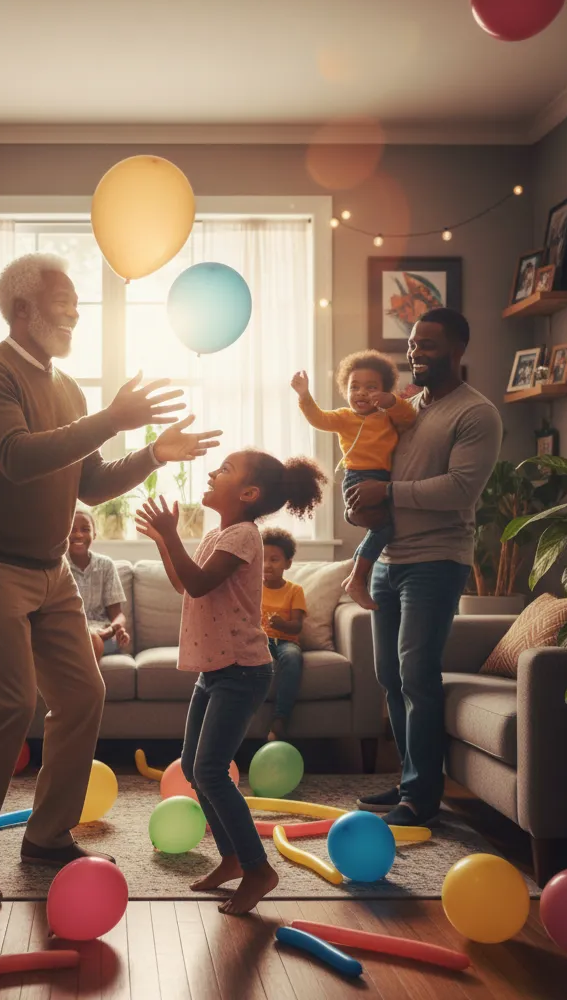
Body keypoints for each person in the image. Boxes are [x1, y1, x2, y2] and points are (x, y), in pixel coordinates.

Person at [0, 253, 222, 907]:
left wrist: (151, 453)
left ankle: (47, 836)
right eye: (61, 300)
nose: (73, 312)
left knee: (83, 695)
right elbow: (16, 457)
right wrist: (115, 420)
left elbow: (88, 481)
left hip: (48, 567)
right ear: (21, 310)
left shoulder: (68, 390)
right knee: (7, 706)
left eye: (75, 302)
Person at [136, 449, 326, 915]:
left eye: (223, 470)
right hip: (215, 671)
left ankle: (259, 868)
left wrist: (169, 534)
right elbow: (186, 583)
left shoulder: (243, 535)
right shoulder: (220, 532)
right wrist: (165, 541)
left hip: (242, 671)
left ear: (248, 494)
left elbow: (199, 583)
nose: (211, 472)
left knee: (212, 773)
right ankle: (233, 858)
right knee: (195, 766)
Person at [346, 308, 502, 828]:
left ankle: (421, 797)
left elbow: (461, 489)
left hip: (437, 561)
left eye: (428, 345)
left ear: (457, 351)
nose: (415, 353)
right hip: (391, 559)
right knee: (389, 675)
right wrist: (362, 509)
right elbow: (375, 466)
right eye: (413, 344)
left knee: (416, 673)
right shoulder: (407, 408)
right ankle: (409, 778)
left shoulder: (476, 414)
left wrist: (385, 492)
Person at [292, 350, 416, 610]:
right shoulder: (344, 417)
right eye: (355, 387)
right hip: (358, 477)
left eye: (371, 388)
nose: (361, 393)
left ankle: (355, 579)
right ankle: (357, 580)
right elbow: (319, 419)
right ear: (345, 390)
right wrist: (304, 396)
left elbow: (409, 417)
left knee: (382, 530)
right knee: (383, 529)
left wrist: (391, 401)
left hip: (383, 480)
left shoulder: (387, 416)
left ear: (384, 391)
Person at [259, 527, 307, 742]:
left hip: (287, 641)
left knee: (292, 657)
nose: (267, 565)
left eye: (274, 559)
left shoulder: (294, 591)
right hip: (261, 641)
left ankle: (280, 719)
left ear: (287, 563)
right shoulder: (252, 588)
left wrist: (281, 624)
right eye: (262, 559)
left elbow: (297, 626)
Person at [68, 508, 131, 659]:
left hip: (103, 635)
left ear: (94, 534)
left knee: (93, 640)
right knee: (82, 641)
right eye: (72, 530)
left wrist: (115, 629)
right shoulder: (58, 566)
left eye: (85, 529)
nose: (79, 534)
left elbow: (118, 614)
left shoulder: (105, 565)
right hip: (70, 635)